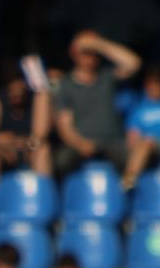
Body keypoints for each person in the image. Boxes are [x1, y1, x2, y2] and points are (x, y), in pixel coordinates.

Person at [53, 30, 140, 175]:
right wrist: (80, 144)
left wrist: (99, 44)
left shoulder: (107, 76)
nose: (91, 56)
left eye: (94, 52)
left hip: (112, 142)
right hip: (80, 144)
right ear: (74, 53)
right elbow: (65, 126)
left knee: (133, 157)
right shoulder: (66, 85)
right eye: (86, 52)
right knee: (61, 161)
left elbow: (133, 63)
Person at [0, 65, 53, 202]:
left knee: (43, 150)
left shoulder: (38, 97)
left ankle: (43, 202)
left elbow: (40, 135)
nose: (15, 93)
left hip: (30, 149)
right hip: (5, 151)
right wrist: (6, 142)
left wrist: (25, 143)